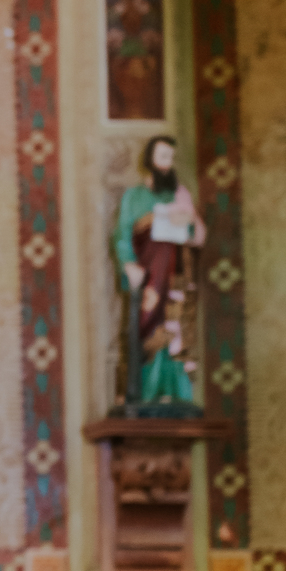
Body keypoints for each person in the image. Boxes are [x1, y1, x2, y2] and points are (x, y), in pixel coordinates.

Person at [113, 134, 206, 405]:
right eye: (163, 157)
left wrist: (188, 222)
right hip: (149, 275)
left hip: (178, 274)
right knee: (147, 327)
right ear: (150, 160)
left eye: (172, 159)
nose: (168, 164)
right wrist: (128, 264)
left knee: (176, 326)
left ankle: (176, 393)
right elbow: (121, 234)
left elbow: (193, 235)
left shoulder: (179, 196)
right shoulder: (134, 197)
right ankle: (146, 393)